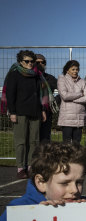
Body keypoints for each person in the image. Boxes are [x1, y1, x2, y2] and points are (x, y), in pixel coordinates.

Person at [1, 50, 51, 179]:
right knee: (21, 141)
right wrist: (12, 112)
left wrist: (43, 110)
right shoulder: (14, 75)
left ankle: (30, 167)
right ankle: (20, 168)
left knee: (34, 141)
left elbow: (40, 95)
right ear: (20, 62)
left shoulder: (37, 75)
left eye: (31, 61)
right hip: (20, 112)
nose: (29, 63)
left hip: (35, 111)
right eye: (26, 61)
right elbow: (10, 95)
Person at [57, 60, 86, 144]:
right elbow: (65, 96)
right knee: (66, 143)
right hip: (67, 118)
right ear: (67, 70)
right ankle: (66, 158)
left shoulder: (82, 81)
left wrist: (73, 99)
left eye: (77, 69)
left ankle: (76, 158)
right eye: (73, 69)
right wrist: (80, 94)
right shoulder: (62, 79)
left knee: (77, 143)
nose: (75, 71)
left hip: (79, 118)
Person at [35, 54, 58, 143]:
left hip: (47, 112)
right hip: (33, 111)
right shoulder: (30, 77)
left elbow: (63, 90)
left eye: (43, 62)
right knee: (33, 138)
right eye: (38, 62)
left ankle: (44, 156)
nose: (40, 64)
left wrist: (55, 101)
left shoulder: (50, 78)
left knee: (45, 139)